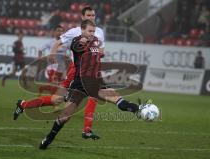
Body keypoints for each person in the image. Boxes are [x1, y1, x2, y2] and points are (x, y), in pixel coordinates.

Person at [39, 20, 142, 150]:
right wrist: (82, 42)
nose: (92, 34)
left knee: (118, 100)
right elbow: (77, 47)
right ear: (82, 30)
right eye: (89, 31)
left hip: (96, 81)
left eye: (93, 31)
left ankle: (140, 110)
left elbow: (99, 53)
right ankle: (49, 139)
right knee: (65, 117)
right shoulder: (77, 42)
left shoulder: (95, 42)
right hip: (80, 84)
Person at [14, 6, 105, 140]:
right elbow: (58, 42)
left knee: (93, 96)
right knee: (56, 99)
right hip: (75, 70)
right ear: (82, 17)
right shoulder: (74, 32)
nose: (92, 18)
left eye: (93, 15)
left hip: (90, 71)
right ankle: (23, 105)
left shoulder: (99, 32)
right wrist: (52, 54)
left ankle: (87, 130)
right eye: (89, 15)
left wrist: (96, 53)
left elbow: (102, 51)